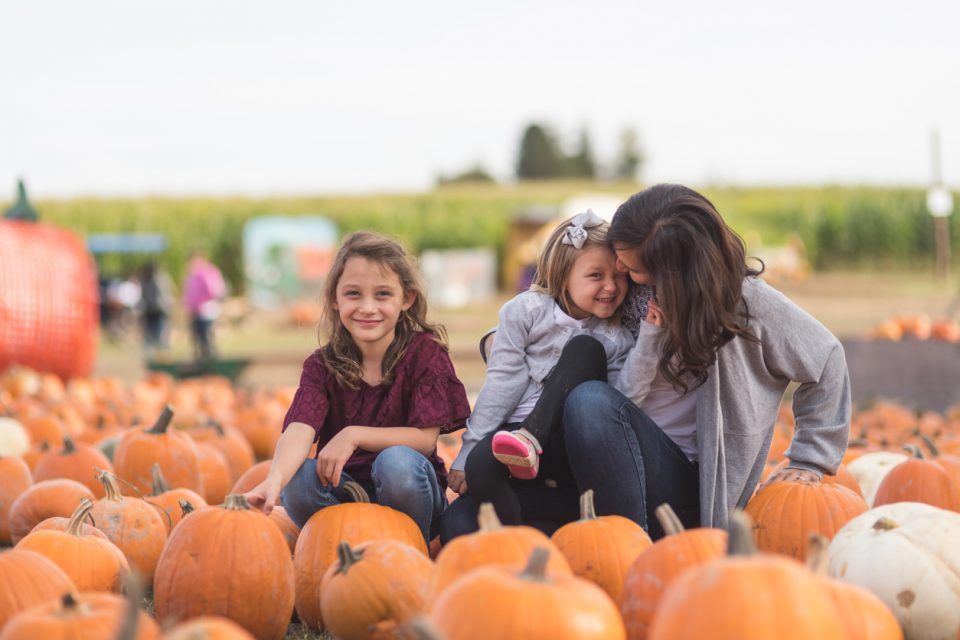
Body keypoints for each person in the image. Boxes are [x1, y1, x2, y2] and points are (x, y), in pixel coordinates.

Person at [561, 184, 851, 539]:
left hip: (692, 484)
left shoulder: (746, 305)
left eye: (631, 264)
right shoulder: (623, 289)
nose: (617, 266)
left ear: (672, 269)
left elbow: (826, 358)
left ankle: (630, 546)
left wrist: (811, 458)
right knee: (580, 401)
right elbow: (555, 308)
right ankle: (604, 535)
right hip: (615, 459)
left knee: (590, 402)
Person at [243, 231, 470, 544]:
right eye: (353, 294)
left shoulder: (425, 355)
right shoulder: (321, 366)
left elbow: (424, 439)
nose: (367, 307)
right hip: (343, 490)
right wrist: (274, 480)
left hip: (408, 493)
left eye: (382, 295)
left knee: (397, 463)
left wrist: (353, 435)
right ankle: (345, 548)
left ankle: (409, 548)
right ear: (334, 299)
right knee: (296, 479)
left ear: (406, 299)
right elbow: (299, 429)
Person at [441, 211, 636, 536]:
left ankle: (531, 440)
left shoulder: (615, 337)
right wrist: (466, 449)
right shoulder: (526, 311)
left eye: (619, 276)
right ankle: (518, 537)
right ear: (562, 276)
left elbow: (617, 405)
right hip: (512, 441)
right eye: (595, 276)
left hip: (565, 441)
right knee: (466, 499)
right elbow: (503, 380)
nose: (611, 286)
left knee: (585, 349)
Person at [182, 252, 226, 361]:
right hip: (197, 309)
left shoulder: (206, 273)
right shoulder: (193, 275)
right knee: (198, 335)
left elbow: (212, 291)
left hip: (206, 308)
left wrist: (199, 302)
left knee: (206, 334)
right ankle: (202, 357)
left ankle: (210, 358)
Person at [138, 261, 175, 357]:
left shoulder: (159, 279)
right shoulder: (148, 280)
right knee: (152, 335)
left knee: (159, 334)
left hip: (158, 310)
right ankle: (154, 354)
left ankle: (161, 354)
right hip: (151, 310)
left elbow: (163, 295)